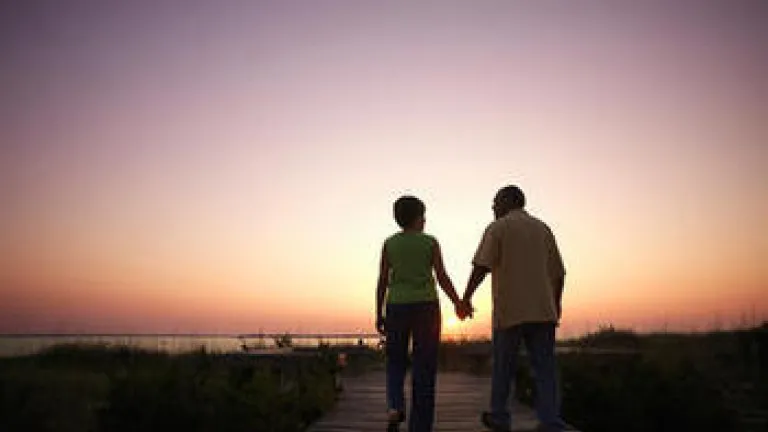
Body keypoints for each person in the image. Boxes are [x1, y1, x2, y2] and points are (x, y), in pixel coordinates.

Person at [461, 185, 566, 432]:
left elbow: (482, 266)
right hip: (543, 311)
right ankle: (550, 421)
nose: (493, 208)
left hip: (511, 311)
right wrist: (556, 303)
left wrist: (465, 298)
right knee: (545, 369)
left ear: (507, 202)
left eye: (495, 202)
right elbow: (559, 273)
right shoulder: (543, 229)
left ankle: (499, 416)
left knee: (503, 367)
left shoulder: (498, 228)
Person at [375, 195, 471, 432]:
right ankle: (421, 425)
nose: (425, 220)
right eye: (423, 216)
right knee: (424, 366)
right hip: (426, 307)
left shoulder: (389, 244)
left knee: (395, 361)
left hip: (396, 306)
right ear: (418, 218)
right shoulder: (430, 242)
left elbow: (383, 281)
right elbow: (442, 277)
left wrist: (379, 312)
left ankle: (395, 407)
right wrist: (458, 302)